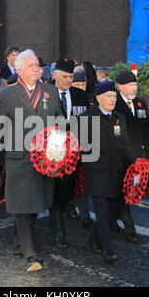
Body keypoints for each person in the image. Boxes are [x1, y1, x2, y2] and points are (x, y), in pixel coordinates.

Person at [0, 49, 63, 272]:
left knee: (35, 205)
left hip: (45, 158)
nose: (36, 69)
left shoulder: (50, 90)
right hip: (18, 157)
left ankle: (17, 241)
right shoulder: (7, 94)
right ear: (19, 70)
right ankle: (31, 255)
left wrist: (60, 153)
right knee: (21, 205)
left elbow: (59, 123)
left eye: (38, 66)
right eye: (31, 66)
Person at [80, 81, 135, 264]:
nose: (112, 99)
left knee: (111, 212)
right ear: (98, 98)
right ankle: (107, 250)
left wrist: (137, 164)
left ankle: (93, 240)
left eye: (114, 96)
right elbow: (80, 148)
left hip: (117, 173)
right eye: (108, 96)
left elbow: (125, 145)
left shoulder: (119, 118)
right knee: (102, 213)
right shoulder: (86, 118)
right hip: (97, 174)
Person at [108, 71, 149, 243]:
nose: (134, 88)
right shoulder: (114, 103)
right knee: (123, 192)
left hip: (138, 157)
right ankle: (130, 229)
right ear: (119, 86)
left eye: (135, 85)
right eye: (130, 85)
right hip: (121, 156)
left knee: (123, 192)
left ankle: (110, 220)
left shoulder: (140, 103)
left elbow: (146, 130)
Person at [50, 58, 91, 247]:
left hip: (74, 151)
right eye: (65, 76)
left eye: (71, 77)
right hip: (51, 150)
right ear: (55, 76)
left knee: (67, 189)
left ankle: (62, 213)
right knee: (55, 190)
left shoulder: (80, 95)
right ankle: (58, 232)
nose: (68, 80)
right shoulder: (46, 94)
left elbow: (87, 123)